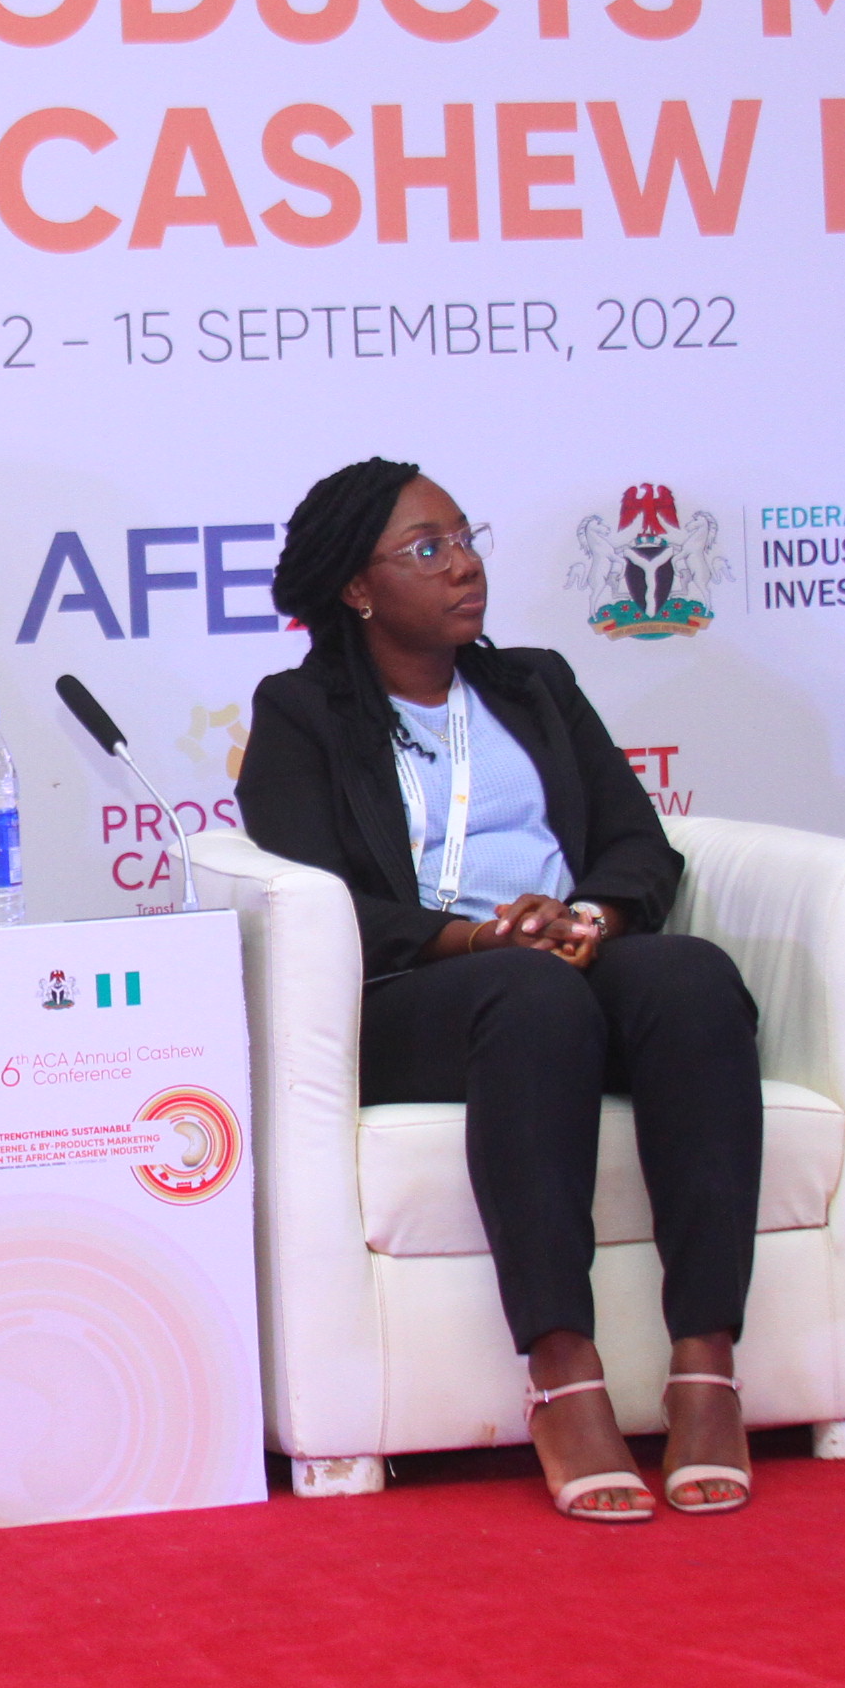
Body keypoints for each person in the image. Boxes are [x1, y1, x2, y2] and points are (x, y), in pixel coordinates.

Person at [235, 458, 766, 1521]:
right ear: (357, 588)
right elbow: (323, 897)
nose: (464, 565)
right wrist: (477, 938)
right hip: (420, 990)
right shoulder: (301, 714)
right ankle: (564, 1376)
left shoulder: (534, 685)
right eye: (427, 549)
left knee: (694, 979)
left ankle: (706, 1367)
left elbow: (636, 843)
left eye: (465, 538)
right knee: (530, 1000)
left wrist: (590, 919)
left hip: (564, 953)